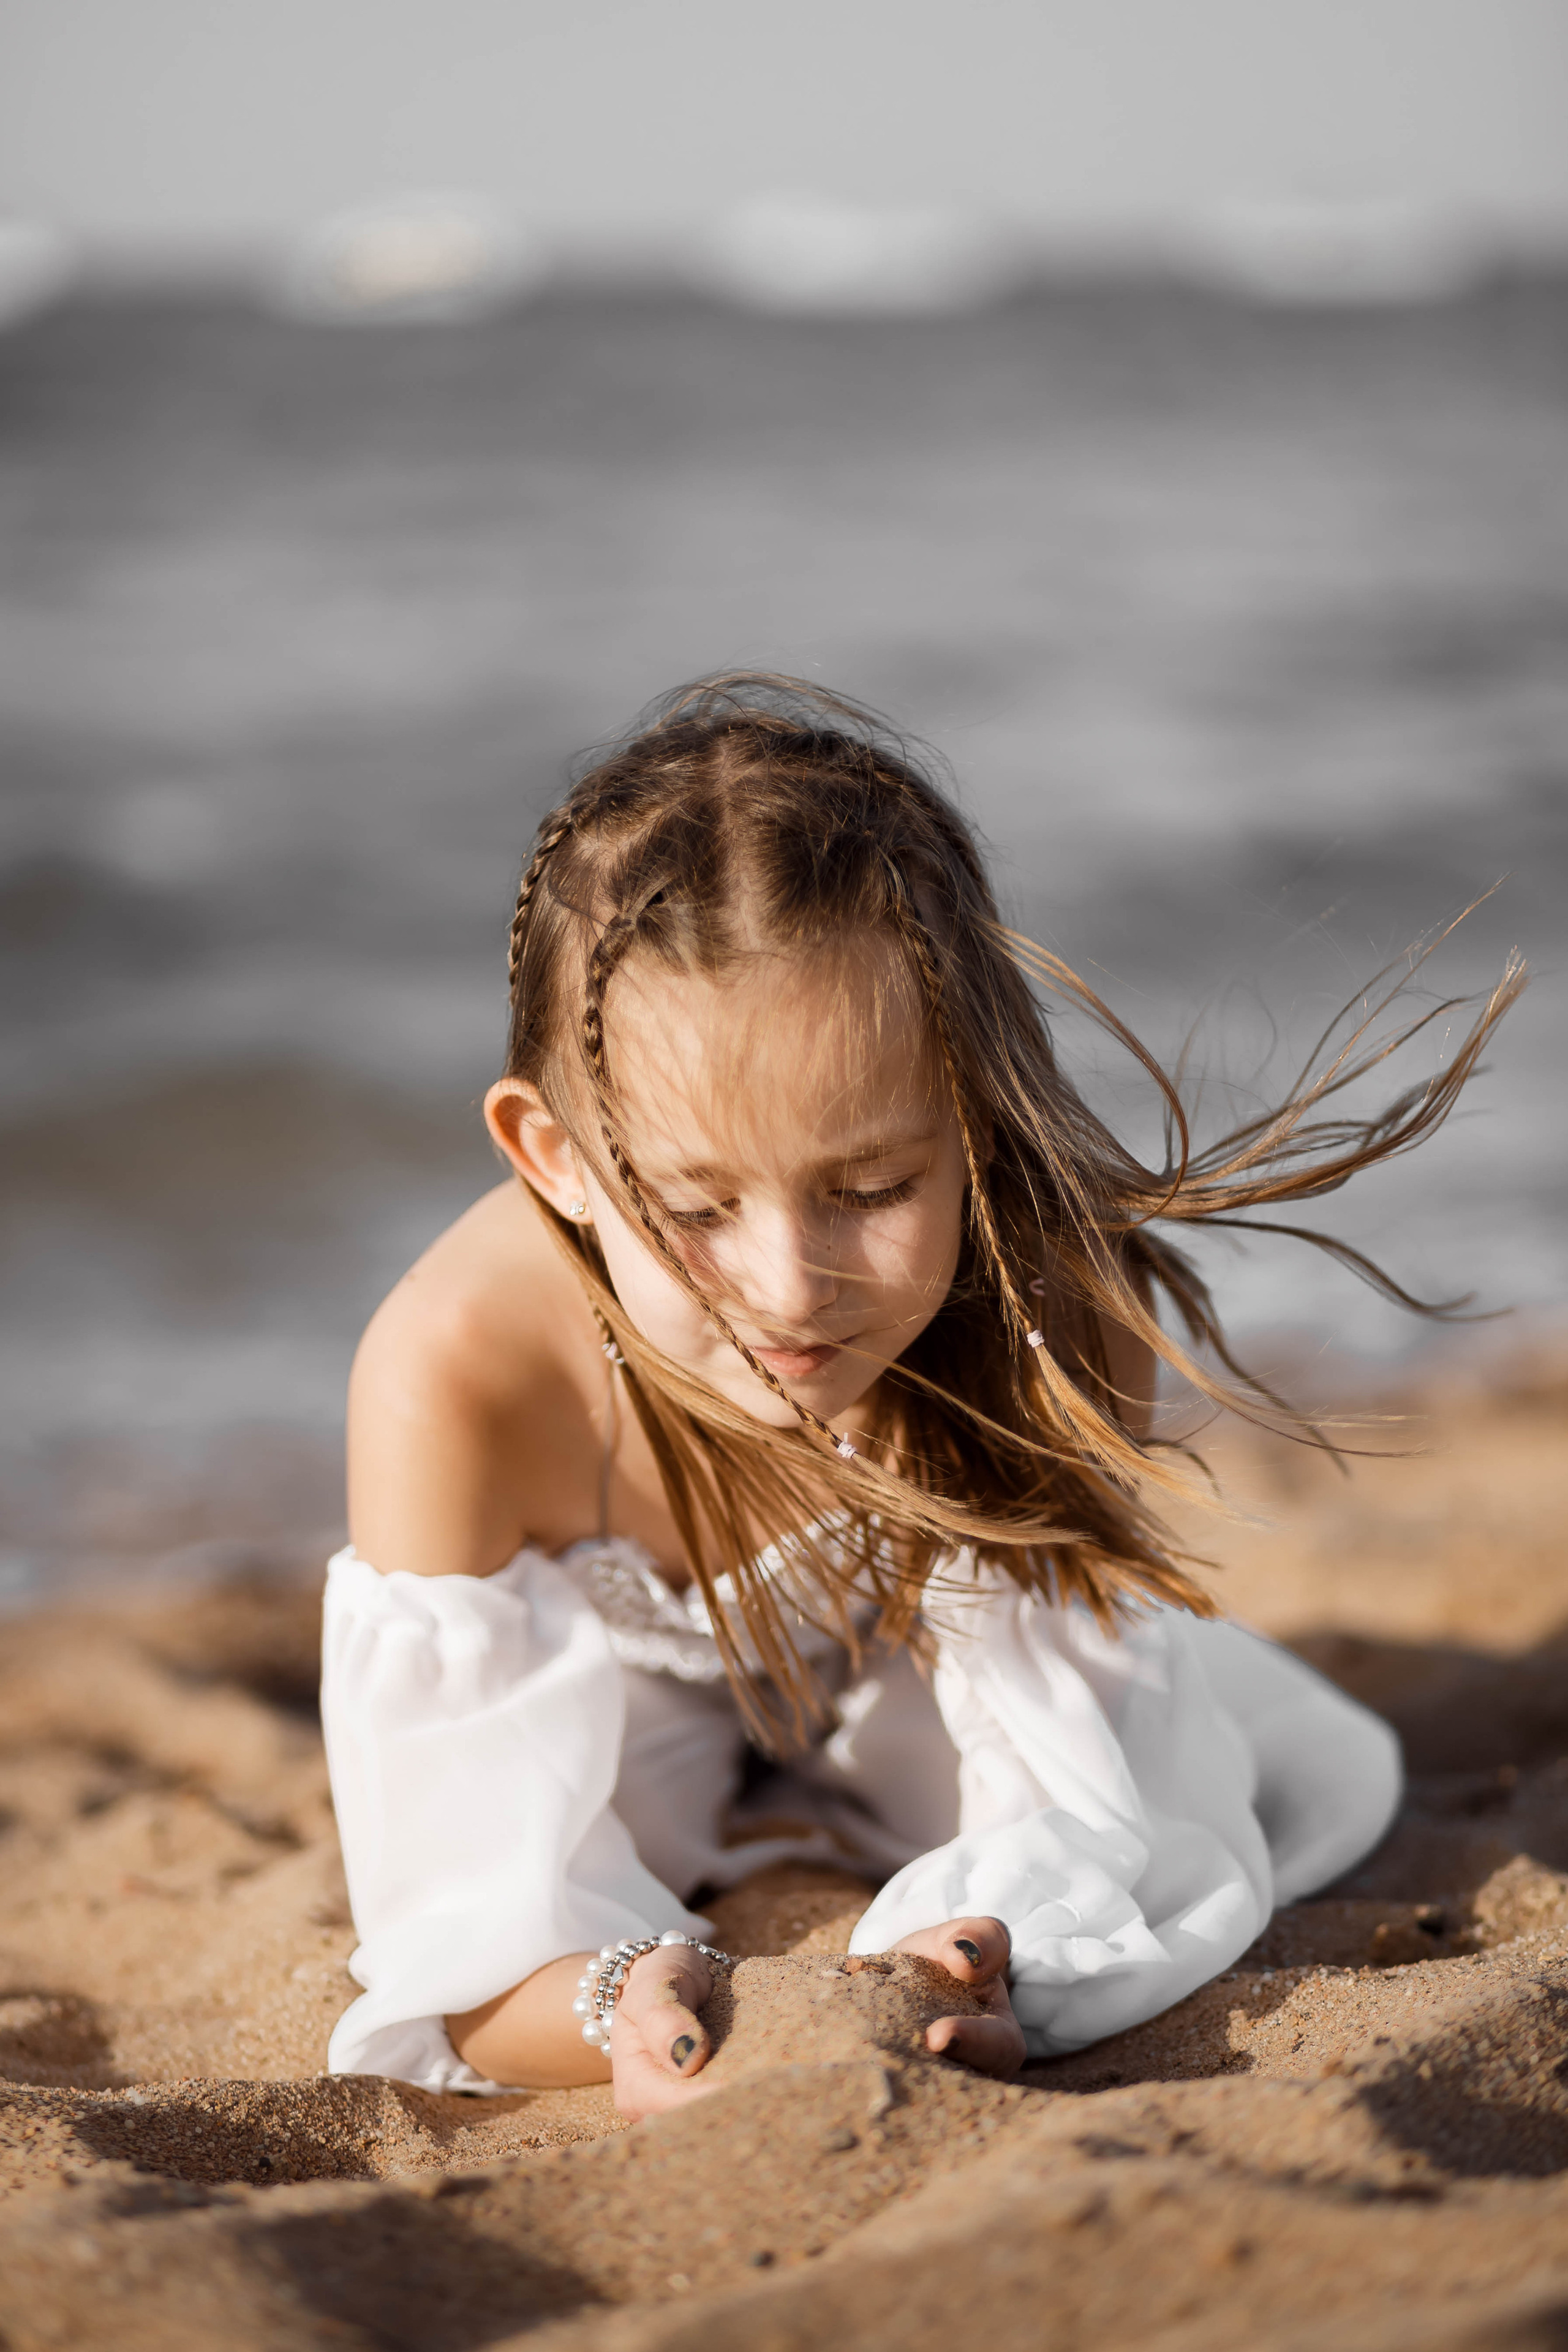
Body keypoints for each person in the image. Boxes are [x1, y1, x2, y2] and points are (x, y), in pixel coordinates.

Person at [322, 674, 1522, 2120]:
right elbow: (453, 1912)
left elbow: (1055, 1730)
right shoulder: (454, 1372)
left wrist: (999, 1932)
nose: (786, 1284)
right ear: (554, 1155)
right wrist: (610, 2001)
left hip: (911, 1656)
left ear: (974, 1121)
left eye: (874, 1188)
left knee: (1134, 1801)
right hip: (602, 1695)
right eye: (692, 1208)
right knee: (557, 1877)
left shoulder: (1050, 1302)